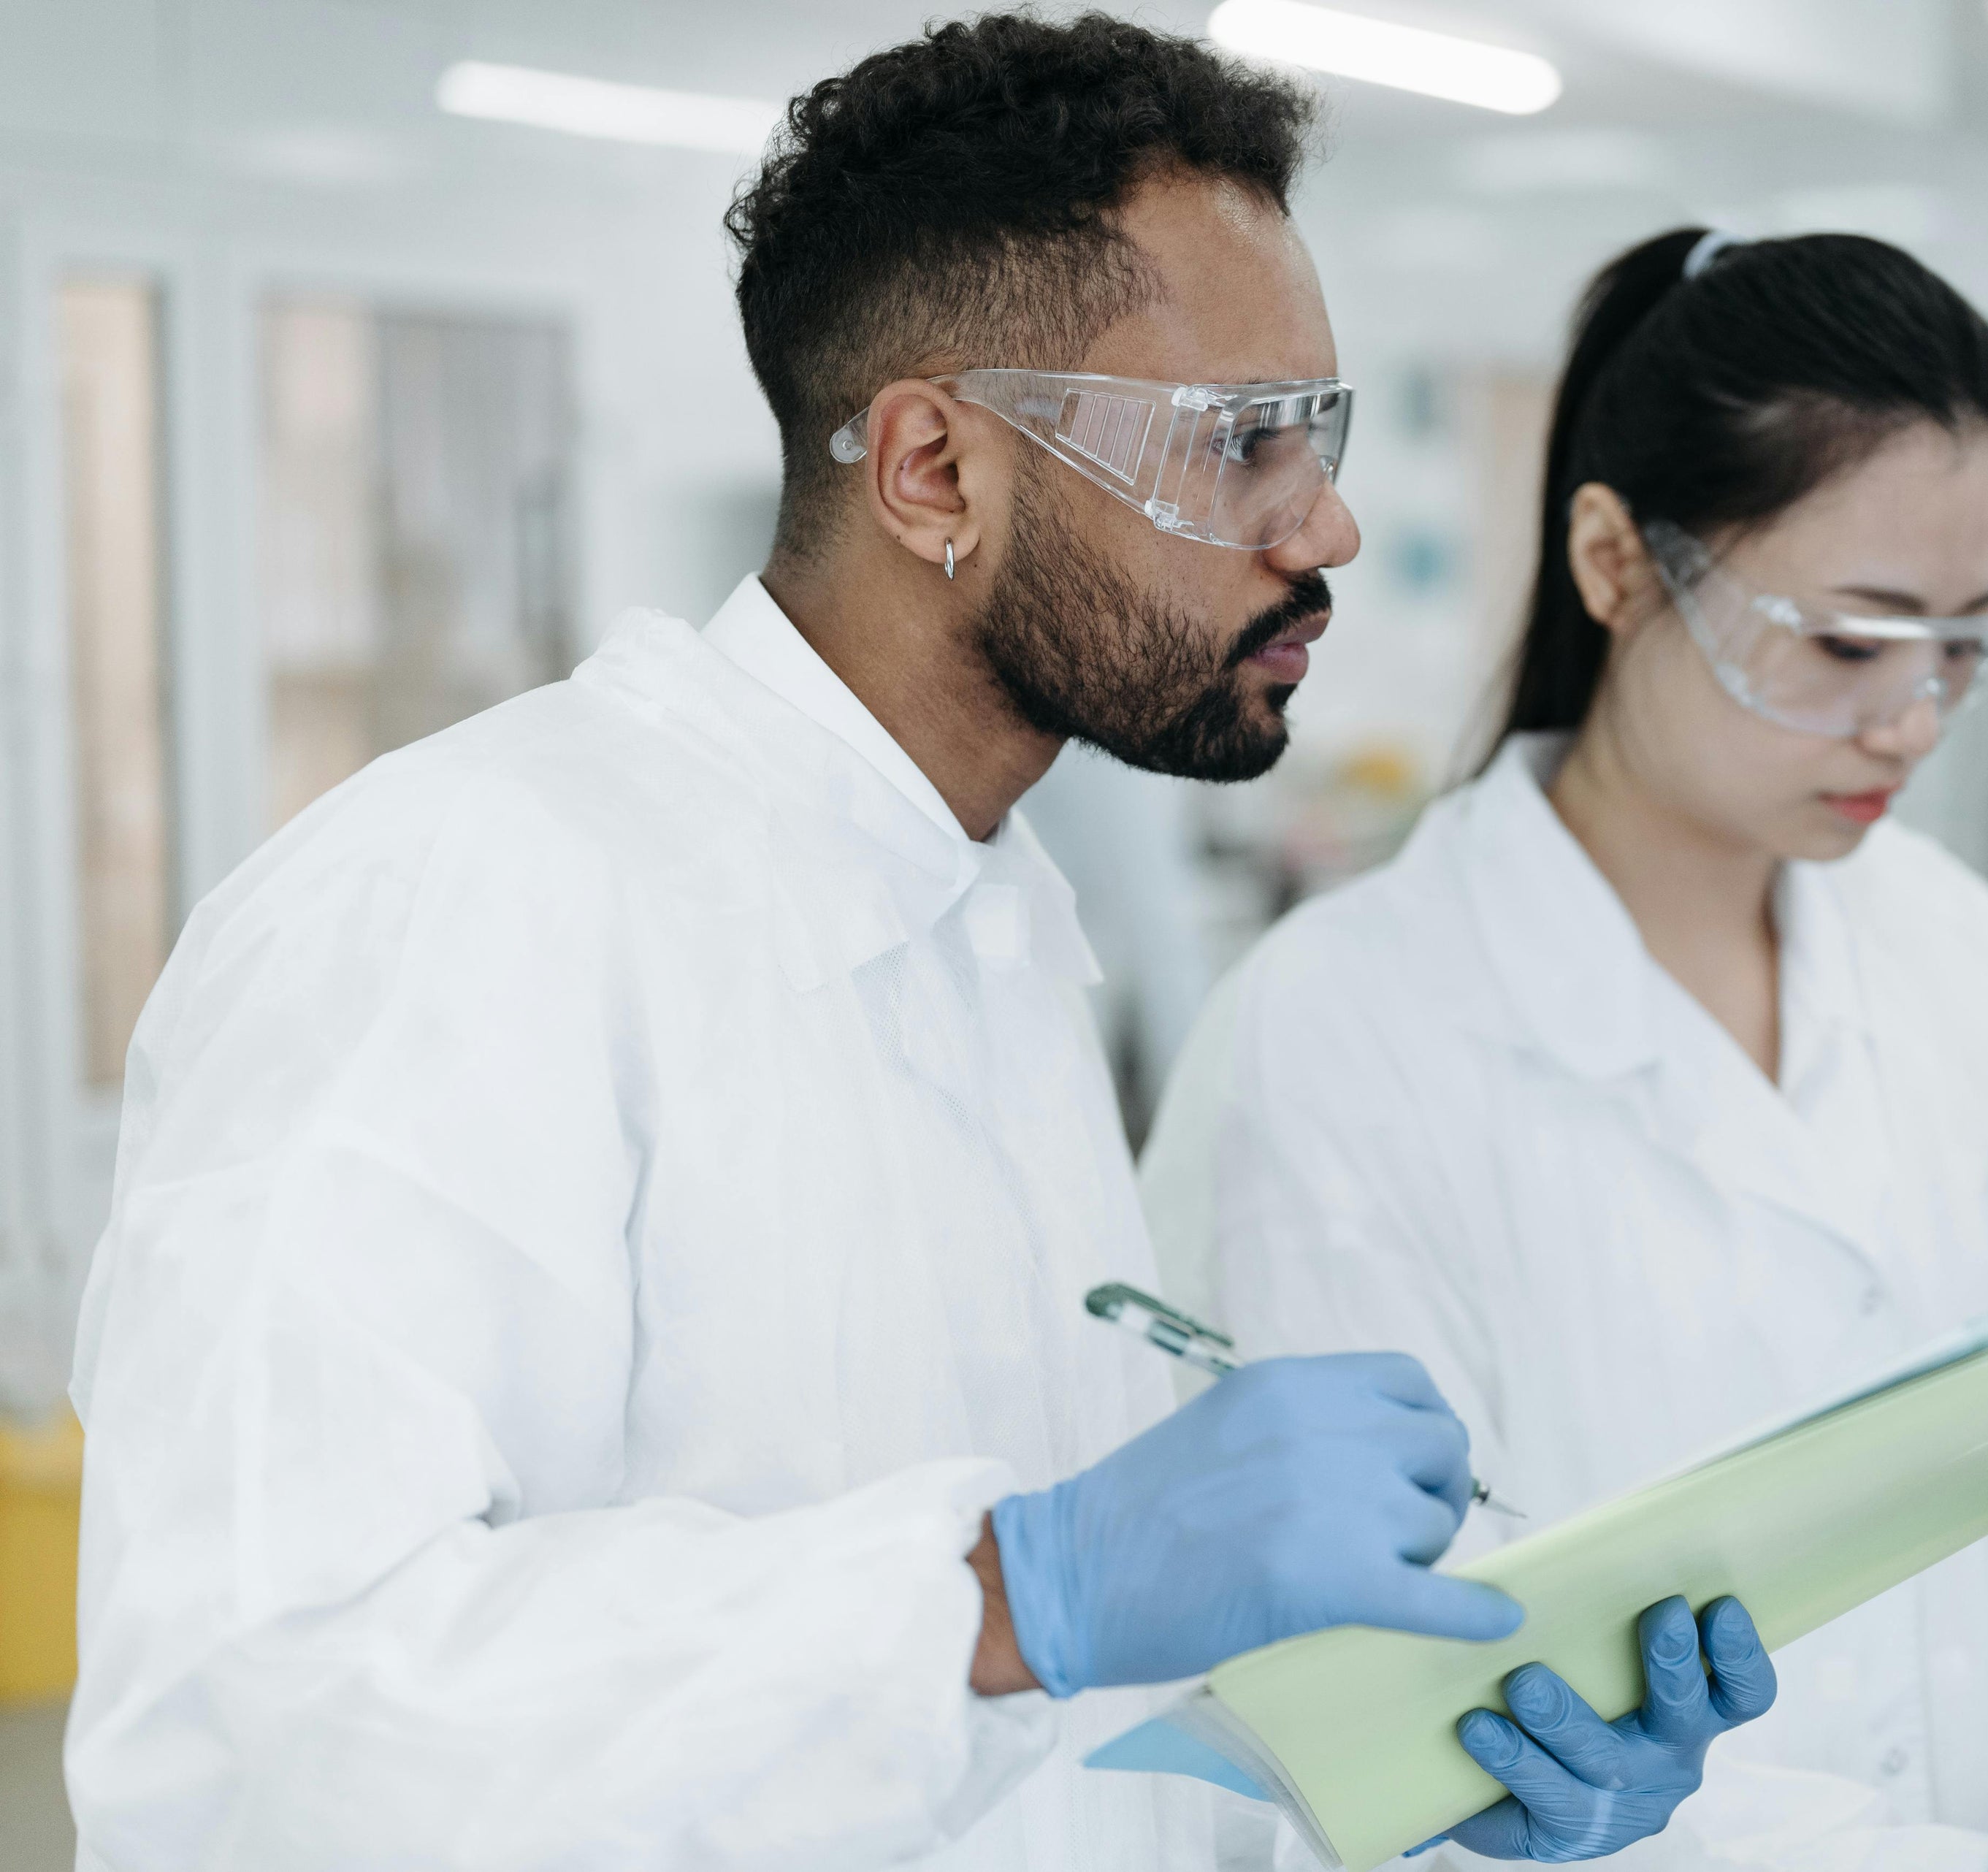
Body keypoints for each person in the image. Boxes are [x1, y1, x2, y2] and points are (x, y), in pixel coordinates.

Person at [61, 24, 1773, 1870]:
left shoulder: (982, 919)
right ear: (935, 472)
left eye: (1324, 435)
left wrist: (1405, 1778)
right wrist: (1007, 1592)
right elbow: (258, 1730)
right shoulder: (453, 903)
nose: (1328, 523)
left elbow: (1035, 1747)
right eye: (1241, 443)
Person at [1139, 229, 1988, 1872]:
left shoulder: (1965, 966)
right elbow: (1329, 1715)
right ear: (1615, 561)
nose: (1913, 722)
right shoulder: (1344, 1039)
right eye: (1851, 642)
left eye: (1963, 645)